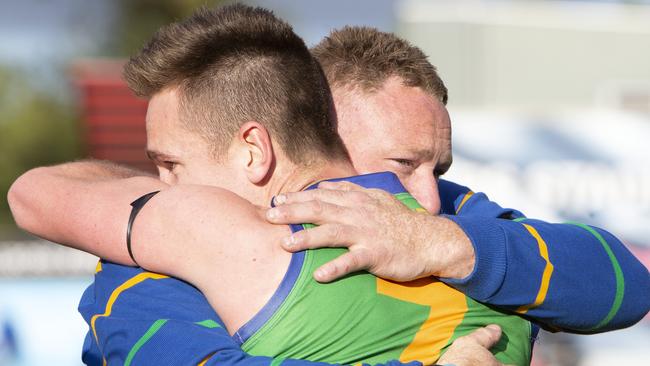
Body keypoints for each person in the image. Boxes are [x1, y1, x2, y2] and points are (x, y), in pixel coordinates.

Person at [7, 4, 649, 366]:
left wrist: (450, 247)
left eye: (437, 170)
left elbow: (624, 285)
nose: (424, 198)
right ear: (316, 128)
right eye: (401, 165)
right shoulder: (167, 255)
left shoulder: (447, 223)